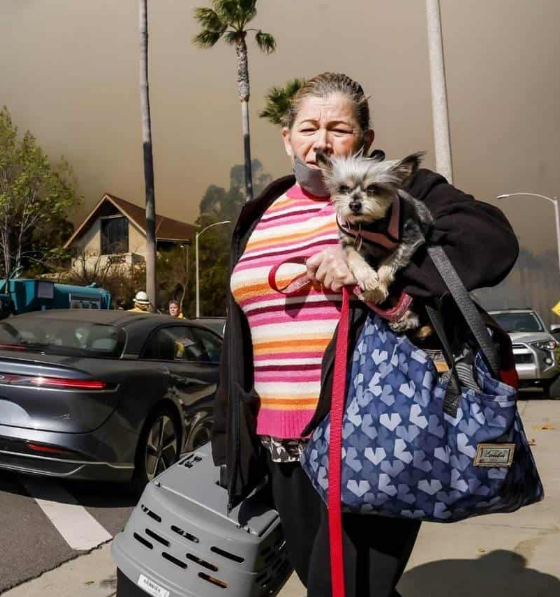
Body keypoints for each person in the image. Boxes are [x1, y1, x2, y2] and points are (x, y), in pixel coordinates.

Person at [212, 72, 518, 597]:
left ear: (366, 140)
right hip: (280, 446)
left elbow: (492, 241)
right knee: (332, 585)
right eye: (308, 127)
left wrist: (377, 259)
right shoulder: (260, 212)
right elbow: (241, 337)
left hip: (372, 436)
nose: (321, 142)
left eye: (339, 128)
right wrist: (232, 436)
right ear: (286, 137)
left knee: (340, 590)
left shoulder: (397, 191)